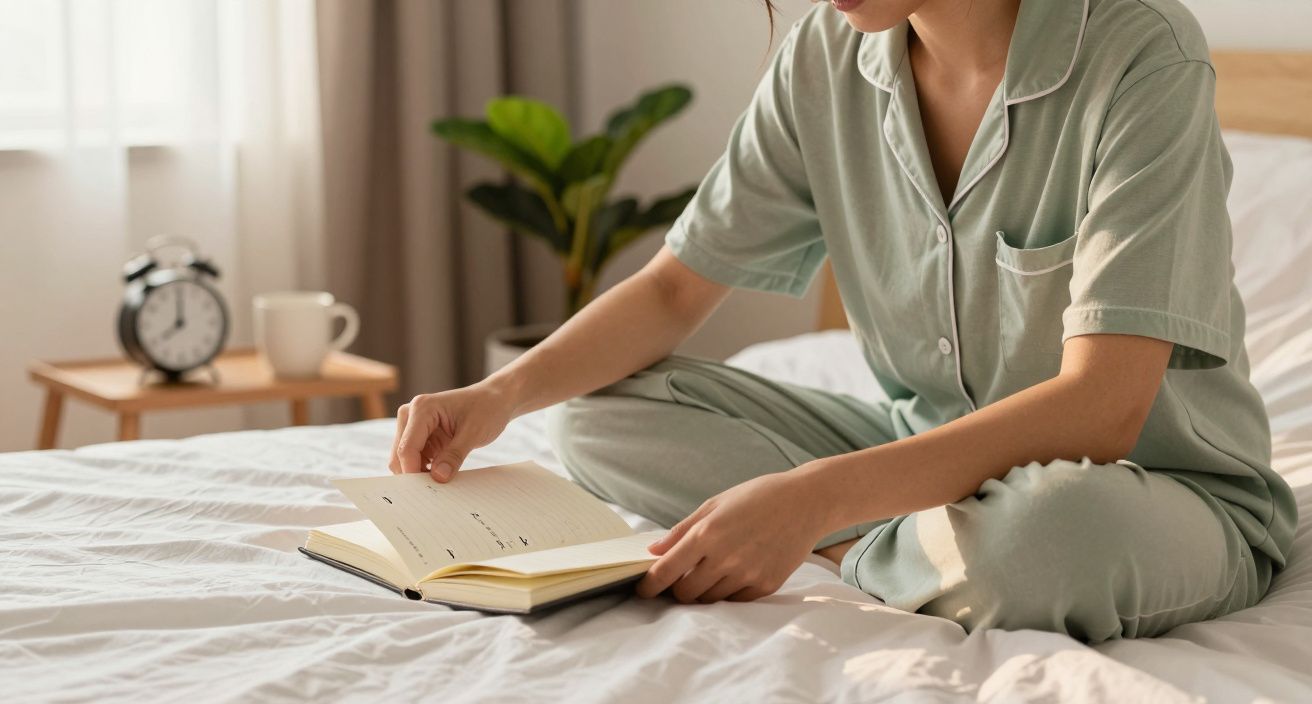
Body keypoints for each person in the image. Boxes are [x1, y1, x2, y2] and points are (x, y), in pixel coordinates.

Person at [389, 0, 1295, 642]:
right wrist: (496, 395)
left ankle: (865, 541)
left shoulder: (1143, 54)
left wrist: (813, 500)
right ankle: (912, 544)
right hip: (916, 449)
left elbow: (1104, 408)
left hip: (1147, 484)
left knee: (1038, 541)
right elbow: (674, 292)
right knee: (594, 410)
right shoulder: (826, 56)